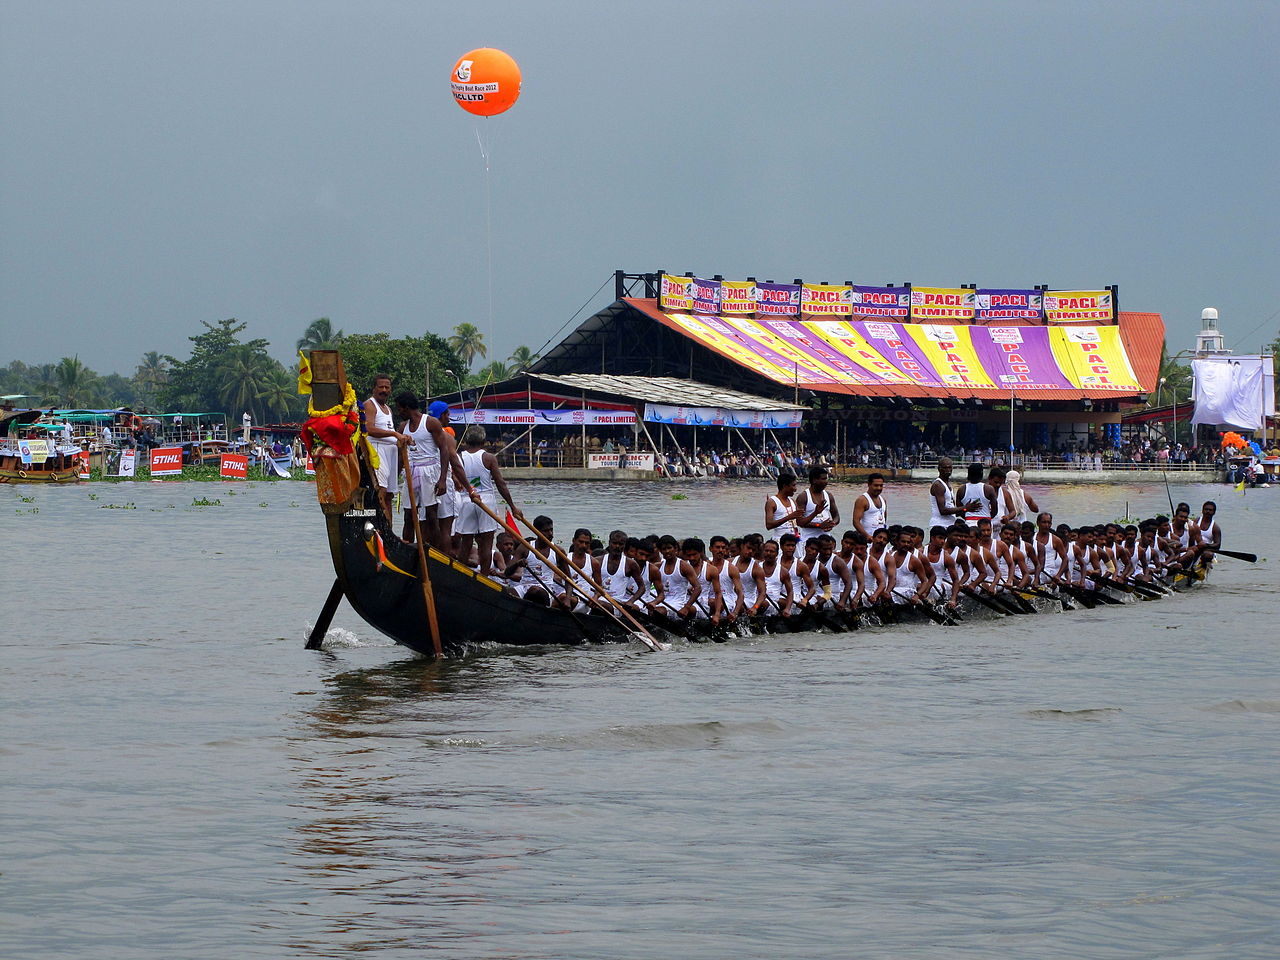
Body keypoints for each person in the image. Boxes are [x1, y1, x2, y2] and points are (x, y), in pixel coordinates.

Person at [453, 424, 522, 577]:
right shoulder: (488, 458)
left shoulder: (459, 457)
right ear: (483, 441)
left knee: (466, 543)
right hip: (486, 501)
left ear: (466, 441)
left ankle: (460, 576)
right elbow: (500, 484)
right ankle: (484, 577)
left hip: (467, 499)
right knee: (486, 544)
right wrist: (512, 506)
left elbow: (454, 478)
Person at [395, 393, 462, 549]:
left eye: (399, 409)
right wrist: (395, 479)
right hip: (411, 471)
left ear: (407, 408)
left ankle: (435, 553)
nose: (398, 413)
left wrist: (443, 479)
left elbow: (444, 451)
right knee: (409, 515)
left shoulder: (431, 423)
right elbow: (400, 456)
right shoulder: (402, 427)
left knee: (432, 515)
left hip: (430, 471)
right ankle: (408, 548)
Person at [363, 374, 408, 518]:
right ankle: (378, 526)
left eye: (387, 387)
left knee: (389, 493)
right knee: (380, 490)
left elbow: (390, 432)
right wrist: (395, 434)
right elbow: (369, 428)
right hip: (377, 450)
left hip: (391, 452)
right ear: (374, 389)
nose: (384, 390)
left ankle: (388, 528)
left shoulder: (388, 408)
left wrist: (402, 439)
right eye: (380, 387)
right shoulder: (369, 404)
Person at [794, 465, 840, 550]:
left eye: (826, 479)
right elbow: (799, 522)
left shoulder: (829, 495)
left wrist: (832, 523)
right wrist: (819, 525)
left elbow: (836, 516)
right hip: (808, 542)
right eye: (823, 479)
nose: (826, 482)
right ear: (814, 480)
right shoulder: (803, 497)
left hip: (826, 542)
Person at [929, 457, 970, 530]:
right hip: (940, 525)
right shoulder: (938, 485)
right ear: (939, 469)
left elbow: (953, 510)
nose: (948, 470)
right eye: (945, 468)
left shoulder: (948, 484)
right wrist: (965, 507)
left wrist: (969, 510)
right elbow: (943, 510)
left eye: (949, 467)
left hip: (949, 525)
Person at [764, 471, 804, 539]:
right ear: (785, 486)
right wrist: (788, 517)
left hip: (794, 541)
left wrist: (815, 513)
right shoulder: (772, 502)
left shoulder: (793, 501)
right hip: (779, 541)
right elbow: (769, 525)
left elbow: (801, 522)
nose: (795, 489)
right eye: (793, 485)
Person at [851, 473, 888, 540]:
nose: (879, 488)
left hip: (881, 541)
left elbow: (884, 520)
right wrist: (867, 536)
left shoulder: (883, 500)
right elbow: (856, 522)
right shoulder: (862, 500)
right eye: (876, 485)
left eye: (881, 485)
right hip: (868, 540)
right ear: (869, 484)